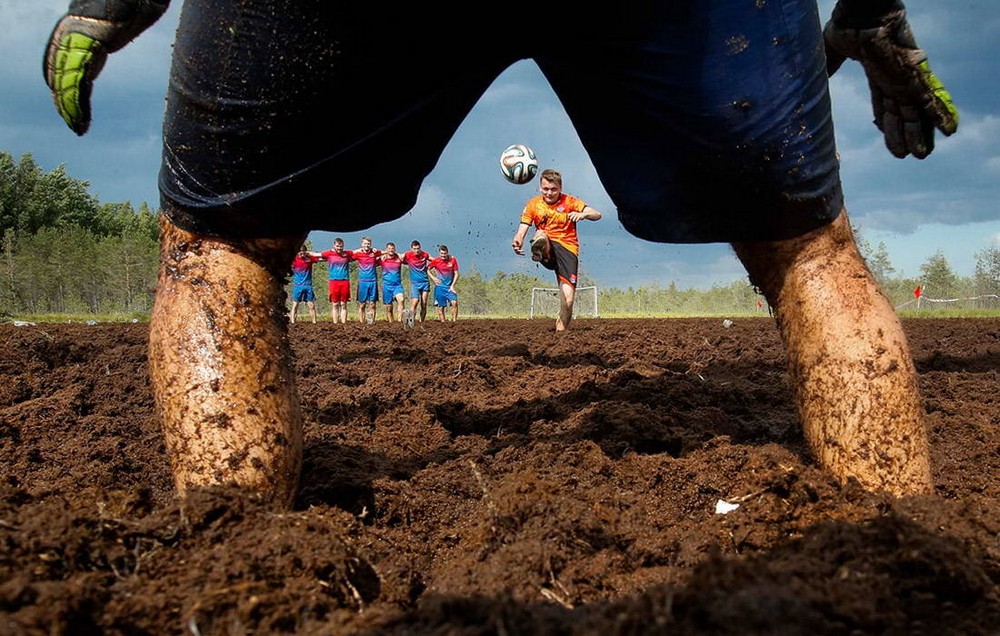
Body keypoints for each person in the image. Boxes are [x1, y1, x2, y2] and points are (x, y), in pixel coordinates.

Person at [44, 0, 957, 505]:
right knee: (809, 255)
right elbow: (537, 220)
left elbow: (570, 217)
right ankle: (905, 557)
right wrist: (873, 8)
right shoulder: (536, 201)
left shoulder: (557, 205)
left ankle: (228, 545)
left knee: (222, 248)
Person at [511, 169, 602, 332]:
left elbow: (597, 214)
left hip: (568, 250)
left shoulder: (570, 202)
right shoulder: (533, 204)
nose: (549, 193)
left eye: (553, 189)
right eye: (546, 189)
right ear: (540, 187)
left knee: (567, 301)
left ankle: (560, 334)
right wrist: (518, 239)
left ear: (560, 188)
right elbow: (523, 227)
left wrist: (583, 215)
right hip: (548, 246)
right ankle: (540, 251)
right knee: (541, 235)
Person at [321, 238, 354, 324]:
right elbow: (317, 255)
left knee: (343, 304)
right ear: (334, 245)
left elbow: (357, 252)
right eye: (337, 246)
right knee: (335, 304)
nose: (339, 248)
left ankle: (344, 324)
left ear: (343, 246)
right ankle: (335, 324)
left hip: (345, 281)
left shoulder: (347, 254)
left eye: (341, 246)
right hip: (334, 281)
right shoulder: (329, 253)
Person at [289, 244, 321, 324]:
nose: (302, 255)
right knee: (295, 305)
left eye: (304, 253)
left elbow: (321, 258)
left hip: (308, 285)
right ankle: (293, 322)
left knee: (311, 305)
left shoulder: (309, 259)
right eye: (300, 253)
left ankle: (314, 322)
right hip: (298, 286)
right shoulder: (294, 260)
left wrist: (311, 253)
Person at [352, 236, 381, 323]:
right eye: (365, 243)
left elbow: (387, 252)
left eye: (368, 244)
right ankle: (362, 322)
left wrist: (376, 250)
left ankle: (371, 322)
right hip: (362, 282)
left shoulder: (374, 253)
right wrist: (356, 250)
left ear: (370, 244)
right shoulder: (358, 254)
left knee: (372, 304)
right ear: (362, 244)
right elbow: (348, 256)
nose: (367, 245)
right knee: (362, 304)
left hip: (373, 281)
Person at [402, 240, 432, 323]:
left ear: (420, 248)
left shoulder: (425, 254)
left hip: (425, 282)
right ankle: (410, 322)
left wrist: (430, 267)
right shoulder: (408, 255)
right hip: (415, 283)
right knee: (415, 302)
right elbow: (398, 258)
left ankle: (421, 322)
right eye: (414, 249)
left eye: (418, 248)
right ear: (411, 249)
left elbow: (435, 260)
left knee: (424, 303)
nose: (416, 250)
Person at [428, 245, 459, 323]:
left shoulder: (452, 260)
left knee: (454, 302)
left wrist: (453, 285)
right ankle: (443, 323)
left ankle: (454, 321)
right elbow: (427, 269)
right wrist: (433, 278)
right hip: (440, 287)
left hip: (449, 287)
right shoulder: (436, 261)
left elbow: (456, 273)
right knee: (441, 307)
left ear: (447, 253)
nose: (443, 255)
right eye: (441, 253)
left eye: (444, 253)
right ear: (439, 253)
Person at [379, 242, 407, 322]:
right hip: (386, 285)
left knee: (401, 300)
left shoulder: (399, 258)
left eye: (392, 249)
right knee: (389, 307)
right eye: (389, 249)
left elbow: (409, 259)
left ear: (395, 249)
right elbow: (372, 259)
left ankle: (399, 321)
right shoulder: (382, 259)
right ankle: (391, 323)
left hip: (397, 285)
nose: (391, 250)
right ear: (386, 250)